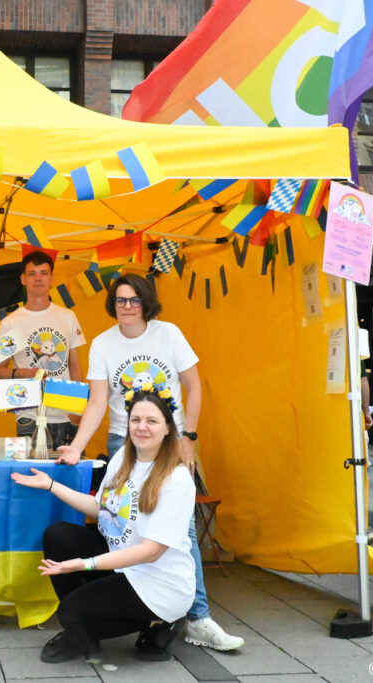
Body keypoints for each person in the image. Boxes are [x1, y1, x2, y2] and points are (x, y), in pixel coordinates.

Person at [55, 273, 244, 651]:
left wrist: (188, 437)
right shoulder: (103, 344)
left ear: (147, 303)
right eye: (121, 300)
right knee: (120, 520)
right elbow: (96, 402)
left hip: (168, 441)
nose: (127, 307)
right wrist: (77, 446)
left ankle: (197, 618)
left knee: (181, 531)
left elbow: (193, 387)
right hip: (122, 442)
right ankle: (132, 599)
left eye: (134, 300)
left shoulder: (168, 334)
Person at [12, 389, 195, 663]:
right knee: (59, 535)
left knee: (70, 612)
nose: (142, 427)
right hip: (122, 564)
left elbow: (152, 551)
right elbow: (102, 510)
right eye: (136, 419)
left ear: (168, 427)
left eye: (152, 421)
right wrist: (51, 485)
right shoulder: (122, 457)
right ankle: (85, 626)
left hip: (158, 582)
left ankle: (163, 621)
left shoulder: (176, 479)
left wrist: (85, 564)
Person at [0, 251, 86, 448]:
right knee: (33, 475)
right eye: (32, 273)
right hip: (28, 413)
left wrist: (80, 408)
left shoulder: (68, 316)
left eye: (43, 273)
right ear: (23, 279)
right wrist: (25, 372)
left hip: (67, 413)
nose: (38, 278)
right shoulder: (10, 323)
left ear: (51, 278)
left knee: (67, 475)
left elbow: (75, 364)